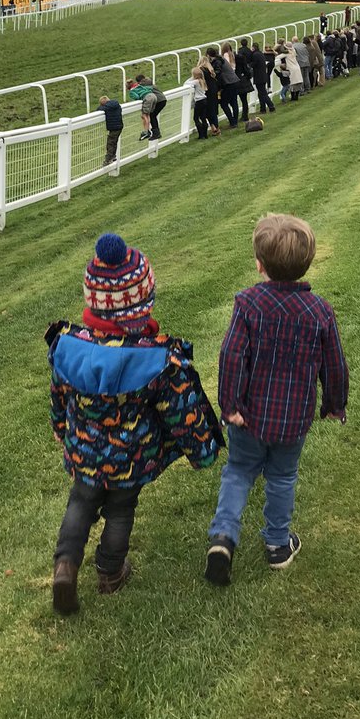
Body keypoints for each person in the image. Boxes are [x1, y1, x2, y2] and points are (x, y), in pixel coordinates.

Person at [49, 234, 224, 613]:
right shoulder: (155, 359)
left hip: (83, 452)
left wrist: (63, 431)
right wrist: (203, 449)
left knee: (80, 501)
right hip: (130, 460)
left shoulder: (69, 346)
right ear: (142, 302)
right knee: (120, 510)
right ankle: (111, 573)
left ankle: (65, 565)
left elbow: (59, 398)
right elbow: (182, 412)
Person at [205, 214, 349, 583]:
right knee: (282, 477)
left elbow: (231, 355)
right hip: (292, 419)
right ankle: (277, 544)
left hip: (248, 416)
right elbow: (334, 364)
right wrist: (334, 403)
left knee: (238, 471)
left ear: (259, 263)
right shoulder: (320, 311)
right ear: (307, 263)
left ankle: (223, 537)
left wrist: (231, 406)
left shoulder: (248, 304)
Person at [185, 66, 210, 139]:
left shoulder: (196, 81)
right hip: (205, 100)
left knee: (196, 118)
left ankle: (201, 135)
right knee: (203, 118)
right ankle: (205, 135)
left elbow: (186, 83)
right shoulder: (203, 81)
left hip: (199, 101)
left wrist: (191, 78)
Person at [98, 95, 124, 166]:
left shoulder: (106, 108)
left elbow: (99, 109)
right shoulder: (116, 104)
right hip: (119, 126)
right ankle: (113, 156)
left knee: (110, 143)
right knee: (114, 142)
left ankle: (108, 158)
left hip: (113, 128)